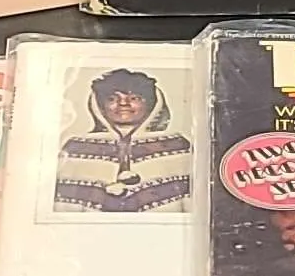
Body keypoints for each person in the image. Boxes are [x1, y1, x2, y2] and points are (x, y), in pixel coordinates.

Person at [51, 66, 193, 214]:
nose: (123, 104)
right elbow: (62, 208)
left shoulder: (178, 145)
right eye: (112, 99)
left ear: (151, 103)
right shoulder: (76, 146)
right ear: (100, 105)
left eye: (134, 98)